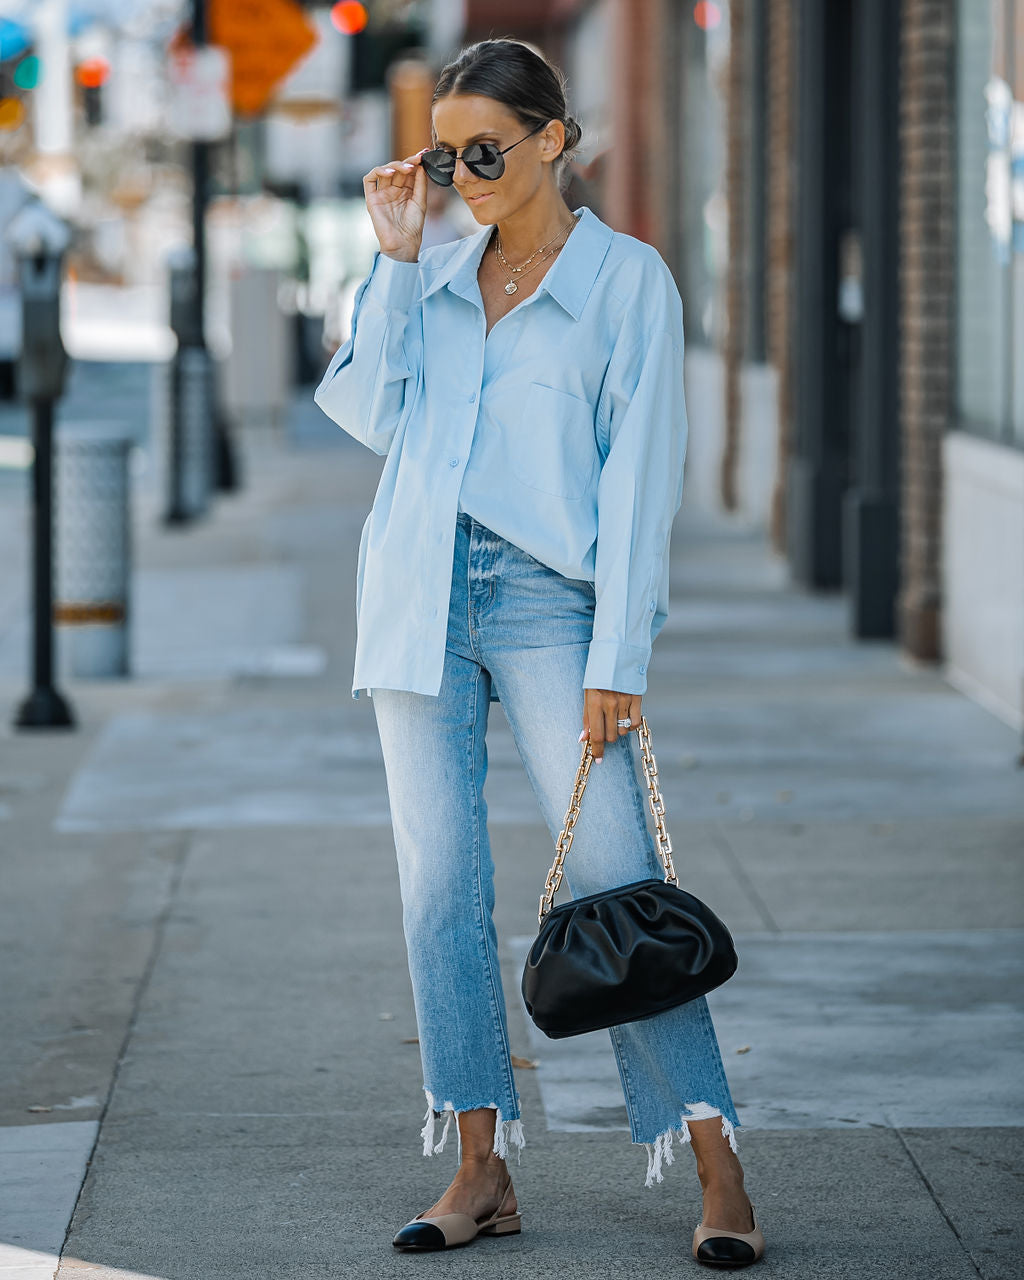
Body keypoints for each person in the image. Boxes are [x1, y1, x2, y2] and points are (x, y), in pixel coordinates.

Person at [314, 37, 766, 1268]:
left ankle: (712, 1156)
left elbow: (643, 484)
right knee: (439, 893)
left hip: (549, 603)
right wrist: (395, 260)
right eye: (445, 151)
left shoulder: (628, 284)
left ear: (553, 140)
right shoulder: (435, 270)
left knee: (614, 881)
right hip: (416, 593)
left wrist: (619, 647)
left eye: (484, 150)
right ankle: (478, 1163)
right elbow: (363, 407)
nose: (463, 173)